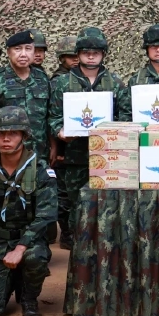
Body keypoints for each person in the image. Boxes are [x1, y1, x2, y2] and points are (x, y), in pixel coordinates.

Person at [0, 106, 57, 316]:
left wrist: (20, 248)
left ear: (24, 136)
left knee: (34, 257)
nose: (5, 139)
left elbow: (45, 216)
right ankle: (10, 280)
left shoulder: (40, 171)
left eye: (13, 133)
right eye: (0, 134)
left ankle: (29, 299)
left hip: (28, 242)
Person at [49, 28, 128, 243]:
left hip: (109, 158)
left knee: (108, 205)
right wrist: (60, 131)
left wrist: (116, 132)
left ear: (103, 54)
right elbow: (53, 115)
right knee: (77, 207)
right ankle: (80, 253)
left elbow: (126, 115)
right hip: (75, 157)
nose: (91, 55)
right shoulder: (62, 83)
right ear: (78, 53)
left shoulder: (115, 83)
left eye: (96, 51)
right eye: (85, 52)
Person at [0, 30, 52, 161]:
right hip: (5, 154)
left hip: (39, 154)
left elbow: (49, 116)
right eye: (17, 49)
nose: (23, 54)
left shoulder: (43, 79)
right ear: (8, 52)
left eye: (28, 49)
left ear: (34, 52)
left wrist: (53, 147)